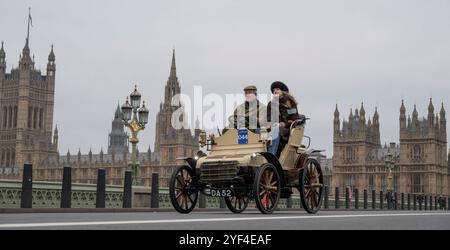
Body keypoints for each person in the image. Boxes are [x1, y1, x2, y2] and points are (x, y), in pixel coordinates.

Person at [266, 81, 300, 157]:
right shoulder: (271, 104)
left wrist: (284, 124)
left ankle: (271, 156)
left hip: (287, 129)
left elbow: (294, 118)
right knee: (258, 132)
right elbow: (268, 118)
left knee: (275, 131)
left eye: (277, 89)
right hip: (273, 127)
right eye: (274, 90)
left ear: (283, 91)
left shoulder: (290, 103)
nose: (275, 91)